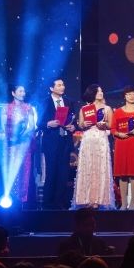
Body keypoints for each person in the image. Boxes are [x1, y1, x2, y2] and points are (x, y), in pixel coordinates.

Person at [72, 84, 114, 209]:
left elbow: (111, 125)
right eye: (98, 91)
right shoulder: (85, 109)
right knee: (87, 167)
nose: (101, 93)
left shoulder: (107, 108)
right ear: (92, 93)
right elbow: (80, 125)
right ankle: (85, 198)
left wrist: (104, 125)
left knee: (100, 167)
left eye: (101, 91)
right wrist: (83, 124)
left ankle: (98, 199)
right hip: (88, 139)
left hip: (101, 139)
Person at [39, 78, 76, 209]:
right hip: (51, 142)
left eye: (63, 84)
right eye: (59, 85)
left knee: (63, 174)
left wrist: (73, 127)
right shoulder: (44, 102)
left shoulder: (69, 102)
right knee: (51, 172)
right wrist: (48, 124)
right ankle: (47, 204)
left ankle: (60, 203)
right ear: (51, 88)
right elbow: (38, 122)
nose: (62, 87)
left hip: (65, 141)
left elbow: (74, 120)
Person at [112, 85, 134, 210]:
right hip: (122, 143)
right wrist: (119, 134)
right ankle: (123, 203)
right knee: (122, 174)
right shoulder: (118, 111)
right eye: (129, 94)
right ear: (124, 96)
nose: (132, 96)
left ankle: (132, 202)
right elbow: (113, 128)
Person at [1, 84, 37, 206]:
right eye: (20, 91)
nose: (23, 93)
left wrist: (21, 135)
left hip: (23, 144)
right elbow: (3, 126)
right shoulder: (6, 108)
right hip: (10, 144)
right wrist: (11, 136)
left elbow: (31, 126)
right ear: (13, 93)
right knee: (10, 170)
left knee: (24, 171)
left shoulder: (28, 107)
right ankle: (10, 198)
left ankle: (22, 200)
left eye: (24, 91)